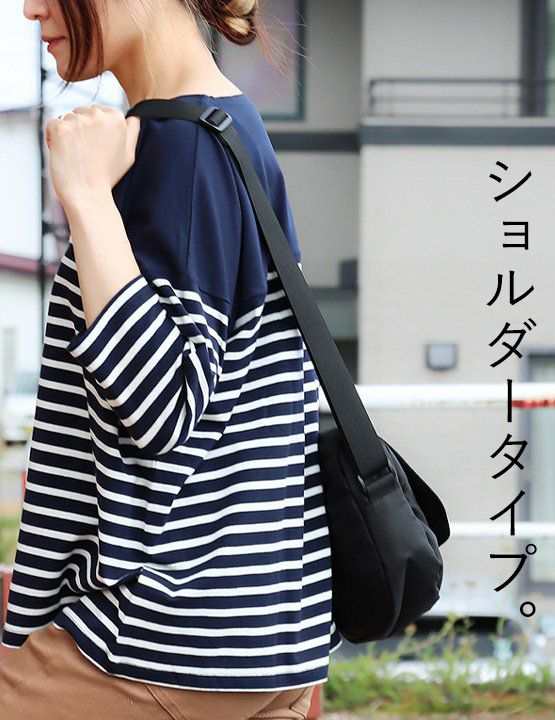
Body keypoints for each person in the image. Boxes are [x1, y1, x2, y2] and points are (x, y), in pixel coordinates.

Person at [0, 1, 342, 718]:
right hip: (258, 632)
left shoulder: (177, 149)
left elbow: (163, 407)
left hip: (157, 641)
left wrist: (87, 197)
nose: (30, 8)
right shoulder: (228, 127)